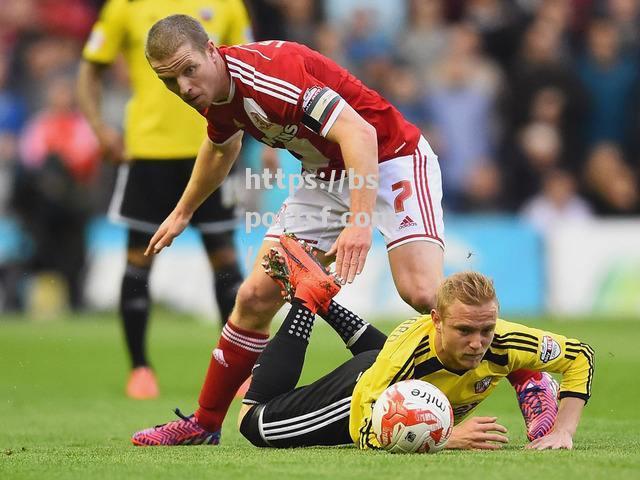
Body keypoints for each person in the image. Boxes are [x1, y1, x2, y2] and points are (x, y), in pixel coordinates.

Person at [132, 14, 554, 445]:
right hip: (324, 176)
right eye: (169, 81)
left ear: (210, 50)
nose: (184, 87)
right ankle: (204, 424)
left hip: (391, 160)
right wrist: (184, 212)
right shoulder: (215, 93)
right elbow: (221, 147)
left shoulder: (270, 77)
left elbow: (360, 133)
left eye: (188, 70)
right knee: (256, 296)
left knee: (424, 293)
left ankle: (530, 373)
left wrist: (359, 220)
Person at [236, 247, 593, 451]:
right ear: (436, 319)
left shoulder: (503, 339)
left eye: (486, 329)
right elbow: (364, 428)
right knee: (252, 423)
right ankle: (307, 301)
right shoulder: (402, 358)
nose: (477, 342)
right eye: (465, 330)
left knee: (431, 361)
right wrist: (443, 438)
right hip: (366, 388)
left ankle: (531, 377)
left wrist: (564, 430)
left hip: (401, 370)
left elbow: (581, 356)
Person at [77, 1, 251, 399]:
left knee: (224, 259)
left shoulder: (227, 5)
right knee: (139, 259)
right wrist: (100, 128)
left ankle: (239, 371)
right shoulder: (125, 6)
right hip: (149, 153)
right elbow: (90, 67)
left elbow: (246, 65)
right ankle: (140, 368)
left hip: (217, 146)